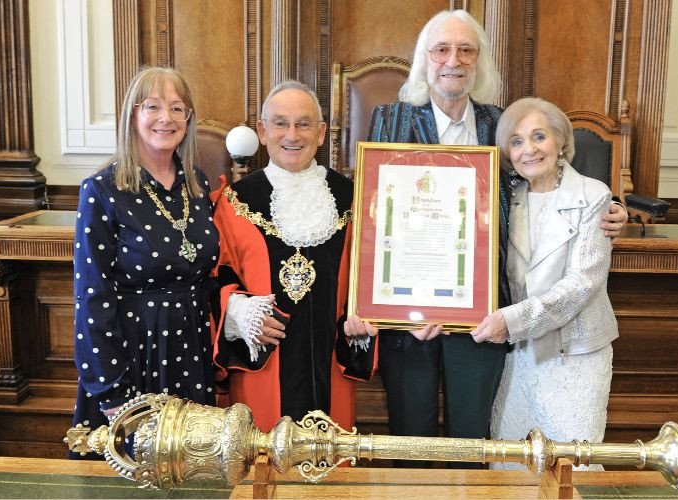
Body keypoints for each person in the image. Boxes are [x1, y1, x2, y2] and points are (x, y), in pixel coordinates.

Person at [366, 9, 626, 467]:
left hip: (484, 316)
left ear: (479, 60)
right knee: (410, 441)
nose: (454, 60)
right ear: (424, 60)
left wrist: (615, 208)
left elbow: (551, 178)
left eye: (466, 50)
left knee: (475, 442)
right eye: (442, 49)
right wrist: (395, 306)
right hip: (407, 318)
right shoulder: (390, 120)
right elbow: (371, 212)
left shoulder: (501, 124)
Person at [211, 80, 377, 432]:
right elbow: (213, 277)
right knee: (262, 469)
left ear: (320, 133)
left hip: (331, 366)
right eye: (280, 123)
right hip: (263, 370)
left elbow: (374, 275)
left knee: (329, 473)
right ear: (262, 130)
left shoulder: (356, 198)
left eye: (303, 124)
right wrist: (235, 311)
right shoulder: (232, 202)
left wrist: (365, 319)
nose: (292, 134)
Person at [70, 67, 219, 457]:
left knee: (189, 471)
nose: (165, 118)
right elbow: (92, 298)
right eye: (152, 106)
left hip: (191, 350)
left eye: (176, 108)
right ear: (132, 116)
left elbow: (207, 276)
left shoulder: (198, 185)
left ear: (189, 118)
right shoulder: (102, 190)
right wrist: (110, 391)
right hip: (132, 356)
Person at [471, 97, 618, 471]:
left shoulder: (594, 195)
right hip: (521, 354)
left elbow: (583, 285)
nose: (529, 149)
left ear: (560, 140)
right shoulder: (506, 198)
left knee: (572, 465)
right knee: (514, 463)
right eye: (517, 141)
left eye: (539, 136)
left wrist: (512, 320)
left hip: (575, 354)